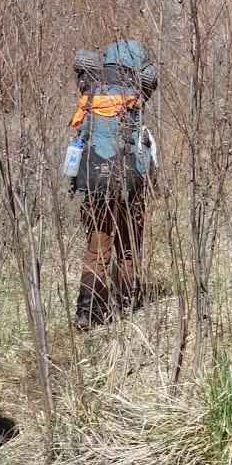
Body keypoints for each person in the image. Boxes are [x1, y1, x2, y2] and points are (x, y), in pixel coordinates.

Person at [68, 40, 159, 326]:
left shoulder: (91, 94)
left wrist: (77, 183)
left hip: (92, 182)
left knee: (97, 247)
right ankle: (127, 307)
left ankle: (87, 310)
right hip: (127, 185)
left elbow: (78, 142)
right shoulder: (136, 97)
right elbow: (144, 154)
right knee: (128, 246)